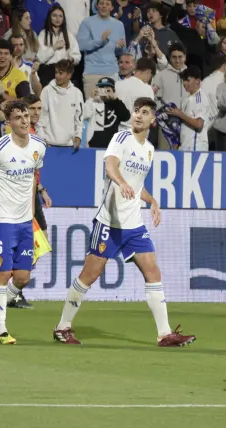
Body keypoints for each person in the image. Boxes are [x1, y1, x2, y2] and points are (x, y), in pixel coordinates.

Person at [54, 97, 195, 347]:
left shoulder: (149, 149)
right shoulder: (121, 138)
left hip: (133, 224)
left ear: (153, 120)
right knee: (90, 275)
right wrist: (121, 183)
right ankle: (62, 327)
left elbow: (137, 185)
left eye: (145, 112)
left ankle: (165, 334)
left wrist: (152, 200)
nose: (138, 115)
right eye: (136, 111)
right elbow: (110, 166)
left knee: (152, 270)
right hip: (108, 223)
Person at [0, 100, 47, 345]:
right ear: (8, 123)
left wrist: (33, 217)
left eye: (26, 115)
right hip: (3, 221)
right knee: (3, 273)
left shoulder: (39, 146)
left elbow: (33, 183)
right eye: (18, 117)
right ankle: (1, 329)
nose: (25, 120)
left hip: (26, 222)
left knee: (23, 278)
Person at [37, 59, 83, 148]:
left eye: (60, 73)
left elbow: (79, 118)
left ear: (69, 75)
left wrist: (78, 136)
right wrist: (42, 138)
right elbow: (41, 116)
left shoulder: (77, 93)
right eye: (56, 72)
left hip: (70, 146)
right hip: (49, 145)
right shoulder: (47, 91)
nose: (57, 76)